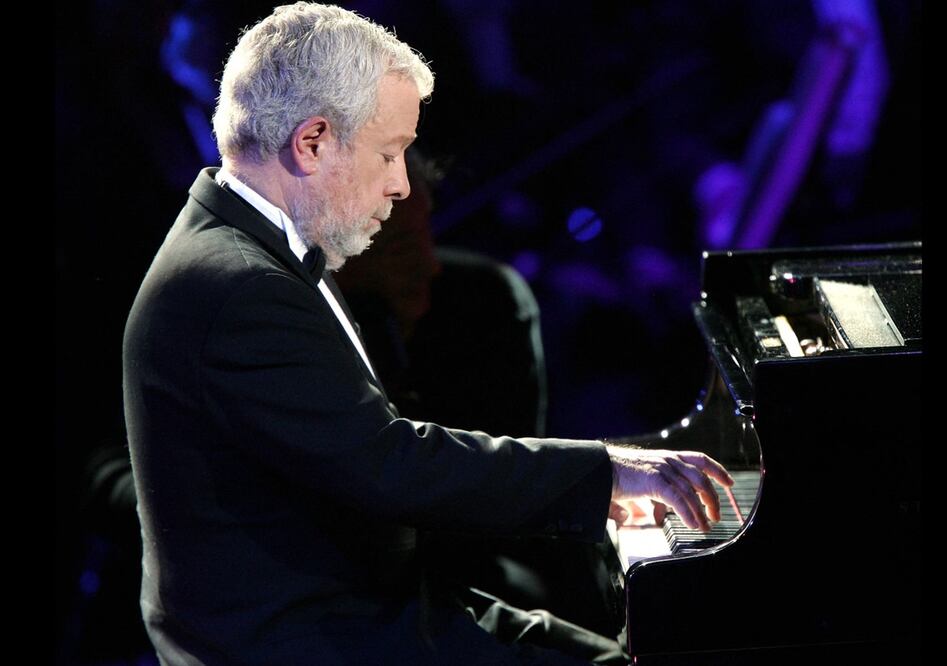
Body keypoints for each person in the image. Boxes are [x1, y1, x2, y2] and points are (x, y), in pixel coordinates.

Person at [122, 3, 733, 664]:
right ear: (312, 142)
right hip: (304, 640)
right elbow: (390, 465)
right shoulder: (238, 285)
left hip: (362, 606)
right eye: (389, 156)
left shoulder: (251, 249)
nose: (397, 187)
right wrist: (604, 476)